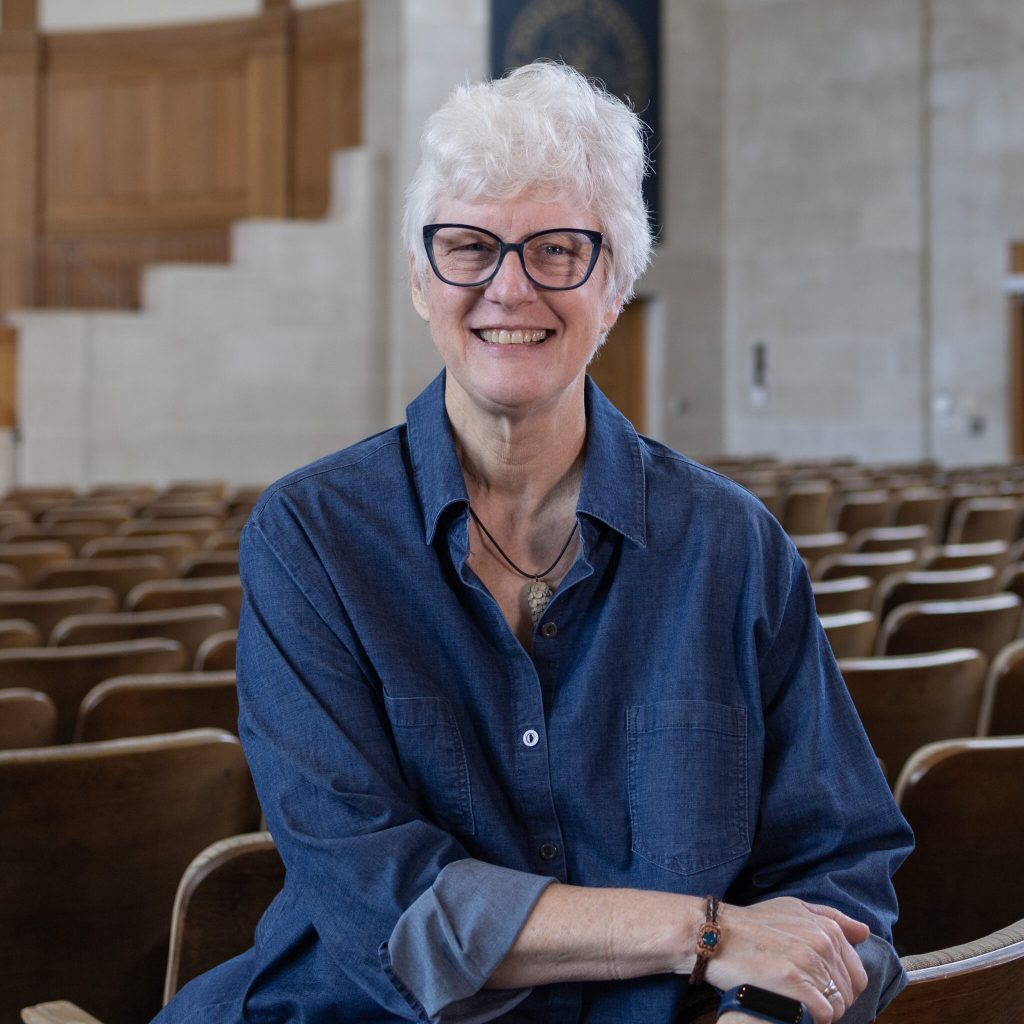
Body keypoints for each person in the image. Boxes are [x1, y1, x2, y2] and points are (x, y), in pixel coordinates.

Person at [155, 61, 913, 1024]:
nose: (508, 288)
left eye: (557, 250)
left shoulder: (735, 548)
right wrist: (702, 933)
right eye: (469, 247)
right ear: (422, 280)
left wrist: (761, 1013)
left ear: (616, 284)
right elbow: (384, 902)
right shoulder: (310, 540)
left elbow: (841, 872)